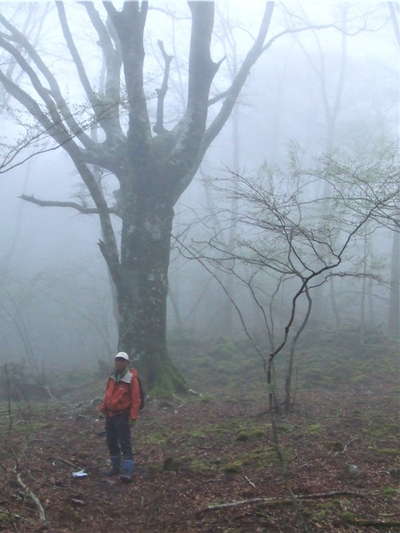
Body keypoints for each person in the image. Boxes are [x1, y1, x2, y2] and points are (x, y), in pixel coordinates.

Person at [99, 352, 141, 482]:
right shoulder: (112, 377)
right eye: (117, 360)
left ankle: (127, 471)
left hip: (123, 415)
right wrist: (103, 408)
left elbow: (136, 399)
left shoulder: (131, 379)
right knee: (111, 441)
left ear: (127, 363)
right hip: (110, 415)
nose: (119, 362)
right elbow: (107, 394)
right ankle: (115, 467)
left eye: (122, 360)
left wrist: (133, 416)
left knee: (125, 442)